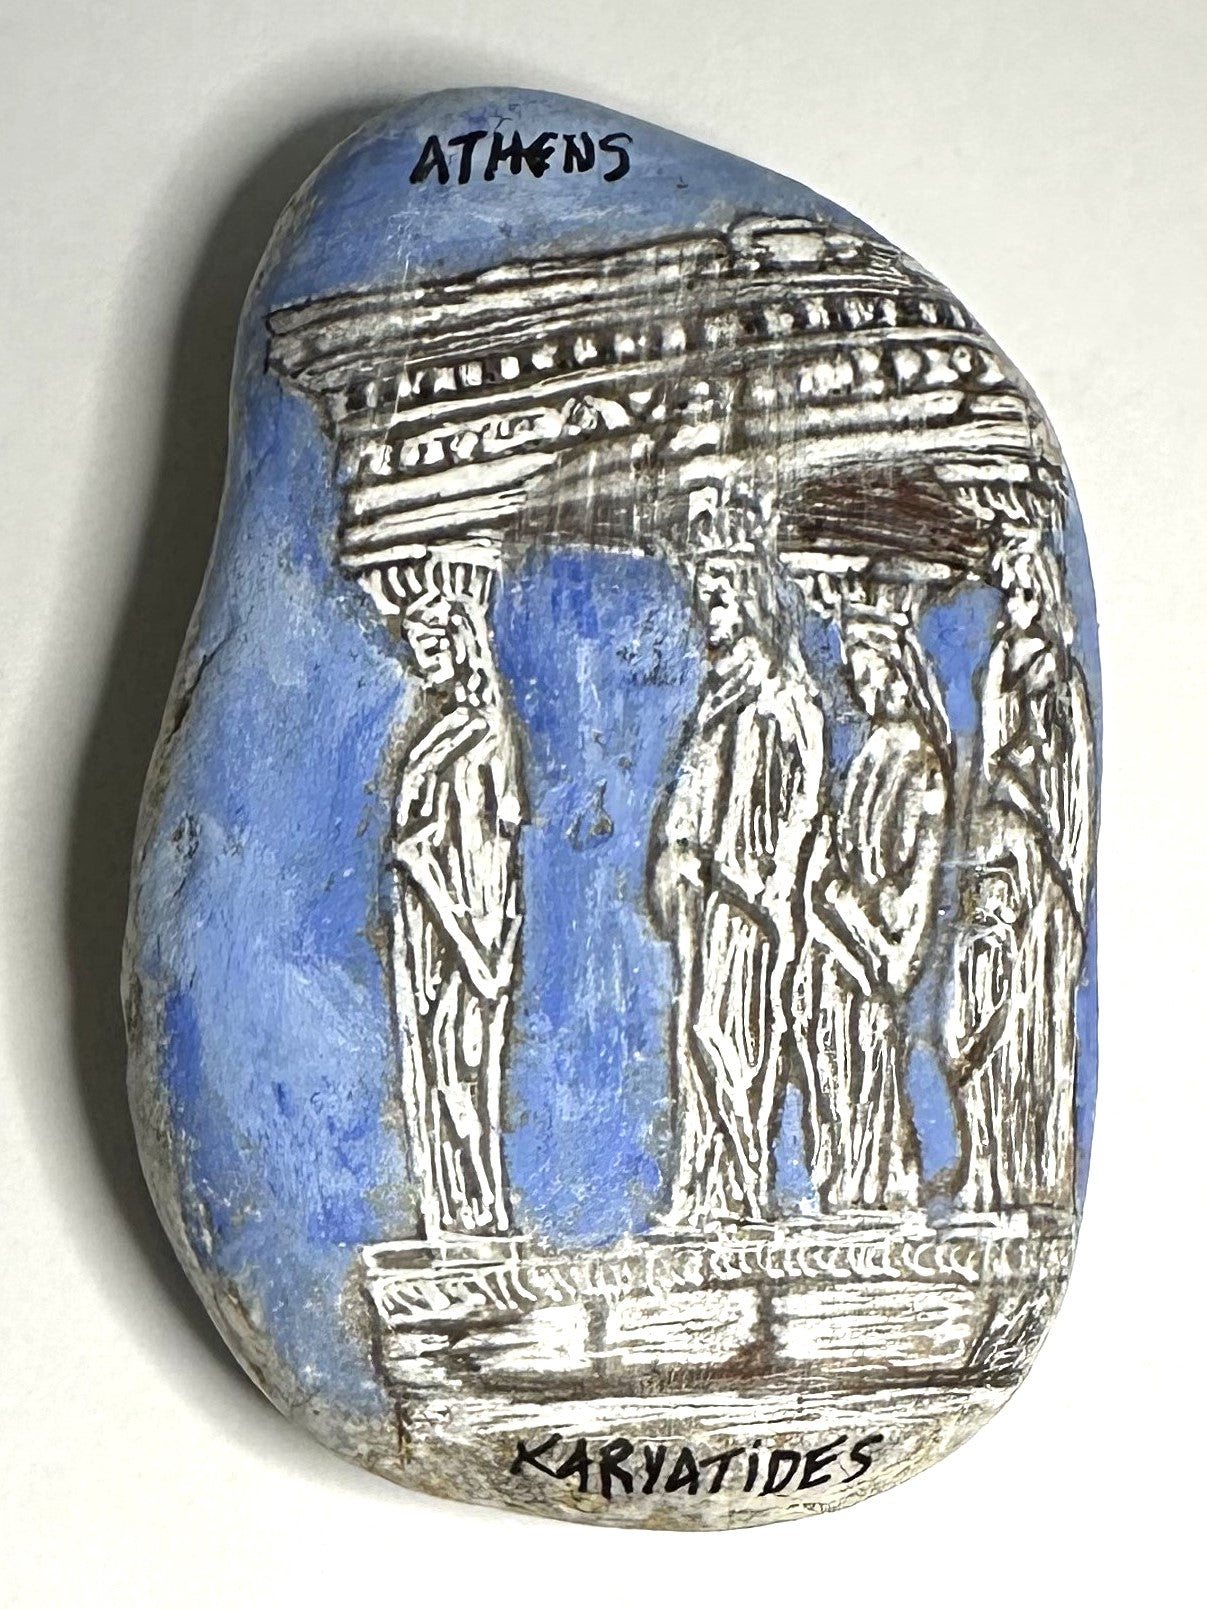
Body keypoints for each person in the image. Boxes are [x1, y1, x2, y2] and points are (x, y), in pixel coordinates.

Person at [649, 486, 826, 1228]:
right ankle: (707, 1187)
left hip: (751, 898)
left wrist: (774, 883)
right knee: (695, 1034)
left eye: (721, 596)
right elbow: (694, 795)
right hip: (708, 894)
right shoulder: (719, 698)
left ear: (752, 599)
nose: (709, 613)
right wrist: (678, 855)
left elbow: (806, 800)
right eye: (705, 597)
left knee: (732, 1035)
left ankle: (745, 1184)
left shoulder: (783, 696)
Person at [946, 536, 1094, 1211]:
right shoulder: (1004, 662)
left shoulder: (1056, 677)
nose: (1012, 604)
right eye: (1007, 591)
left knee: (1027, 1022)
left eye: (1022, 590)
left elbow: (1061, 788)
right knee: (985, 1015)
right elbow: (990, 763)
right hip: (1001, 861)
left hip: (1036, 876)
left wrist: (1015, 786)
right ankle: (991, 1166)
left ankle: (1028, 1170)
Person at [385, 552, 526, 1239]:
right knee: (445, 1069)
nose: (423, 662)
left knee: (463, 1068)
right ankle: (458, 1212)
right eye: (416, 647)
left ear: (464, 640)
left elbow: (489, 851)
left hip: (467, 929)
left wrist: (476, 940)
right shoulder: (444, 736)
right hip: (433, 936)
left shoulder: (482, 738)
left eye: (434, 645)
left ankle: (478, 1209)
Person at [804, 583, 953, 1212]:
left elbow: (915, 872)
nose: (864, 688)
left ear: (898, 667)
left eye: (872, 671)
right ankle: (852, 1180)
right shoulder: (870, 751)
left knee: (872, 1053)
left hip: (879, 930)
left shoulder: (921, 761)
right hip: (846, 930)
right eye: (856, 675)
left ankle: (883, 1180)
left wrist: (874, 916)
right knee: (839, 1056)